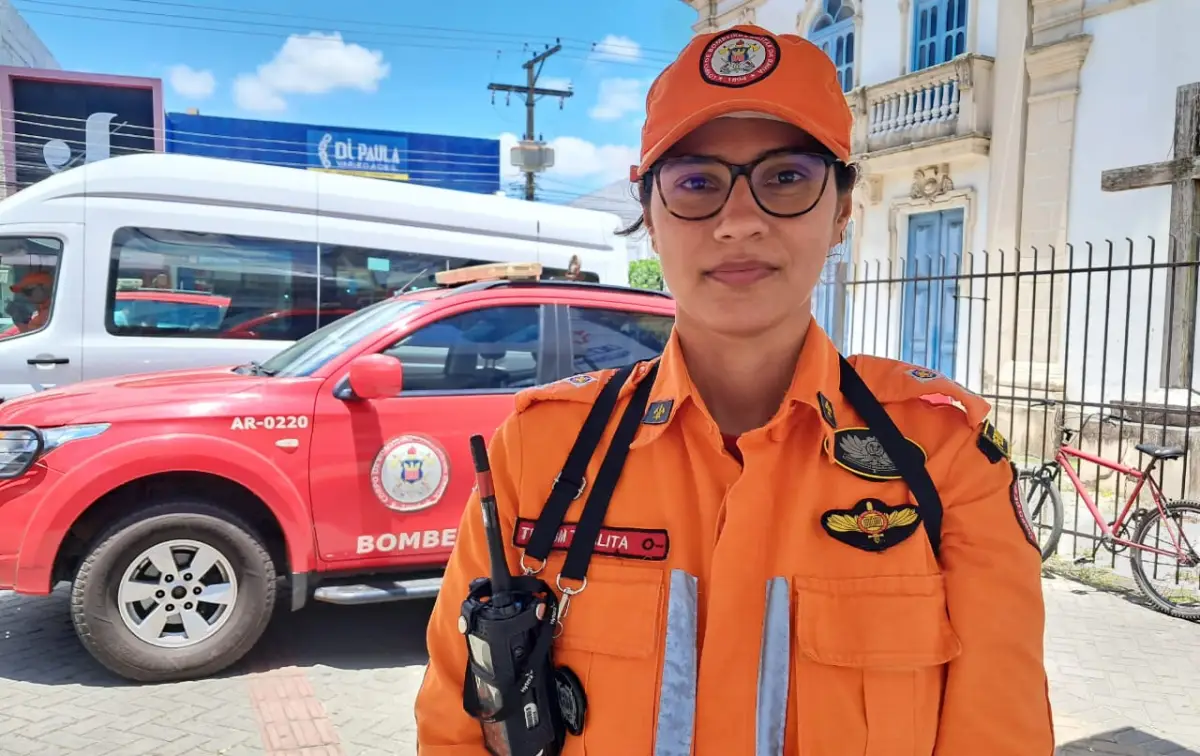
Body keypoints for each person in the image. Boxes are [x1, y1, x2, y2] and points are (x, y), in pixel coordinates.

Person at [414, 23, 1053, 756]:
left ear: (843, 213)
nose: (740, 221)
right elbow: (459, 733)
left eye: (786, 177)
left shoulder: (943, 457)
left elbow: (1000, 736)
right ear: (649, 218)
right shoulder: (540, 452)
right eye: (696, 183)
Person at [5, 270, 53, 335]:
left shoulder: (49, 314)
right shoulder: (43, 311)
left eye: (28, 291)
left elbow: (33, 337)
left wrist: (18, 317)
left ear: (46, 287)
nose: (24, 295)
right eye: (22, 292)